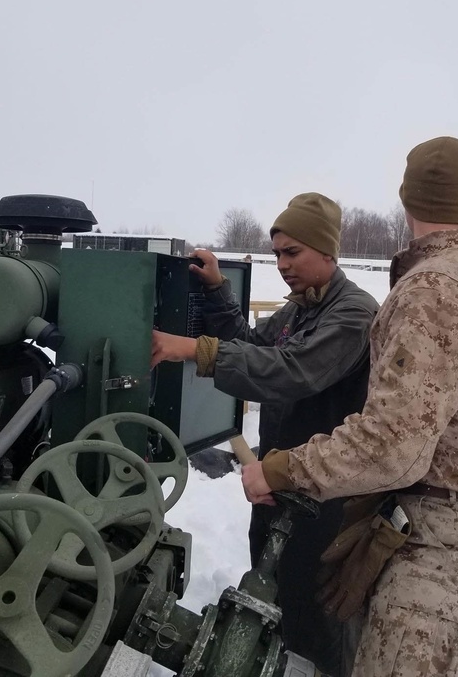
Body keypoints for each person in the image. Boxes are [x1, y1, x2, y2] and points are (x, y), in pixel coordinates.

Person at [241, 137, 458, 677]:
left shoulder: (434, 290)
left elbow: (392, 445)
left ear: (407, 199)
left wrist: (283, 468)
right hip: (429, 523)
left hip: (435, 538)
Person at [151, 192, 379, 676]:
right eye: (276, 253)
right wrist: (215, 291)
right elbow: (252, 345)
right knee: (274, 597)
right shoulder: (300, 310)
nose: (282, 264)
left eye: (292, 252)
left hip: (325, 498)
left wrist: (191, 350)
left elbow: (291, 371)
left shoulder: (353, 314)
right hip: (279, 482)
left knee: (313, 618)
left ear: (328, 252)